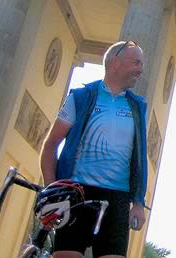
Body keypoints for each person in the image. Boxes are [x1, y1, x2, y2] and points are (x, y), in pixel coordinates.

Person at [40, 41, 148, 258]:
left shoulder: (137, 106)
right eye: (136, 62)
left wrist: (138, 202)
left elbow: (139, 158)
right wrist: (52, 189)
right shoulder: (81, 97)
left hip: (118, 198)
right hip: (77, 193)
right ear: (116, 63)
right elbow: (51, 144)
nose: (141, 69)